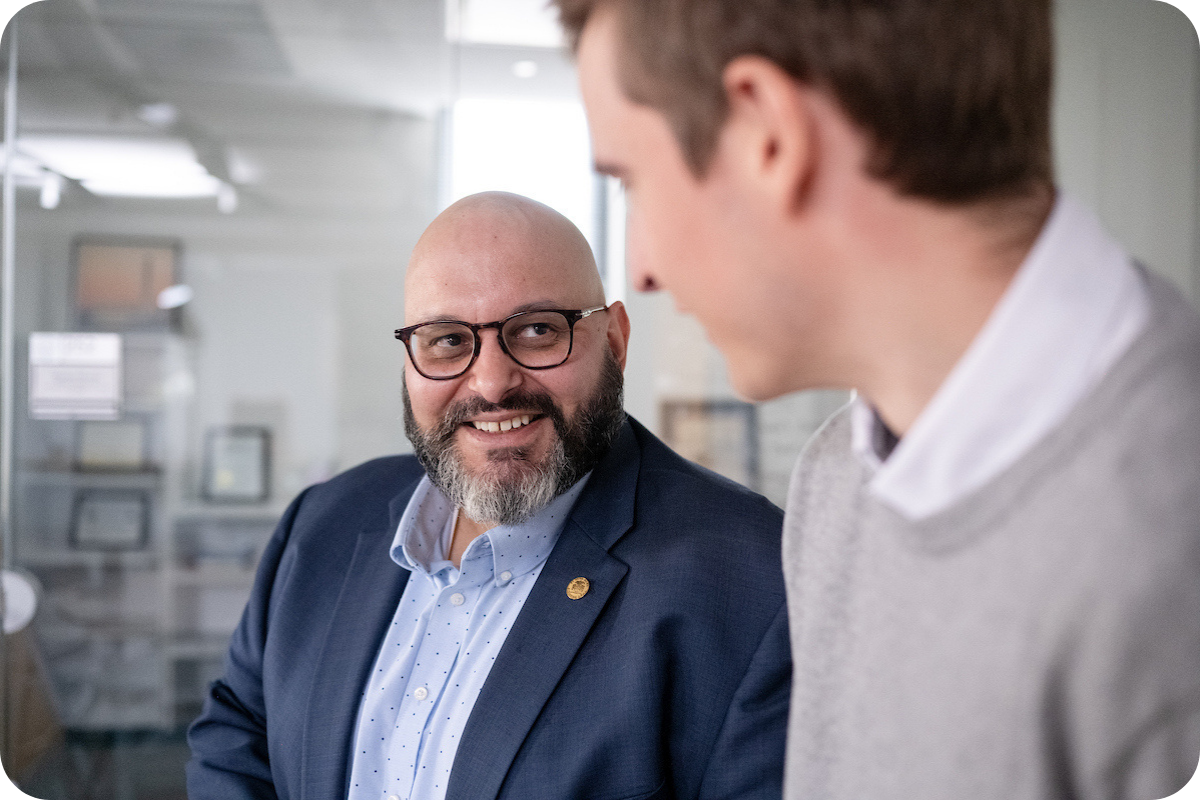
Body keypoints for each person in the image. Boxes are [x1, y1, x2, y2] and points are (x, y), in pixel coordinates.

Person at [558, 0, 1200, 797]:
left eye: (632, 181)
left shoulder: (1168, 549)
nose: (642, 268)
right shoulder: (840, 480)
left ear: (768, 133)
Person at [186, 191, 790, 800]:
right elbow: (238, 738)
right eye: (447, 339)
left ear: (615, 341)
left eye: (536, 331)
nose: (493, 383)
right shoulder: (323, 525)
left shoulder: (755, 580)